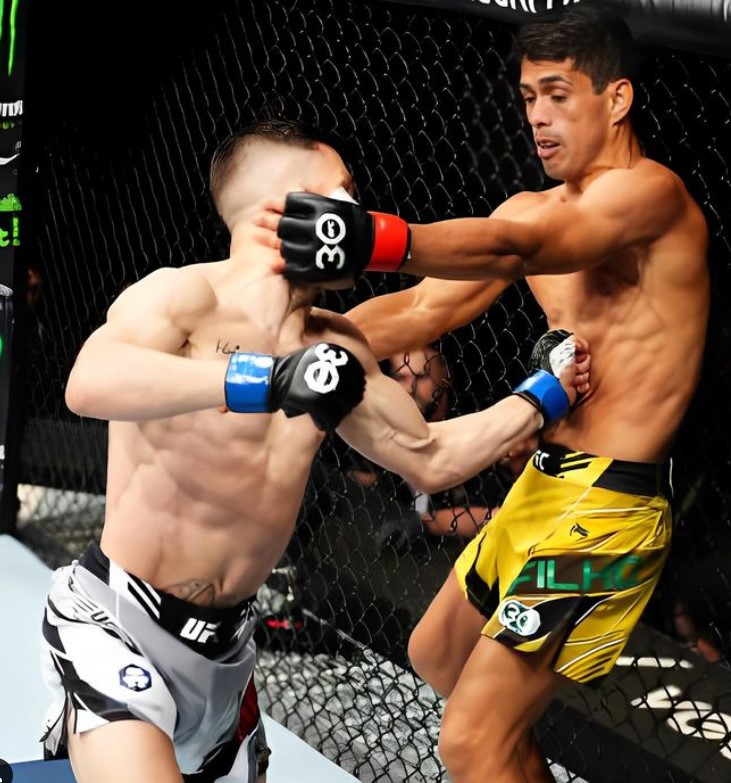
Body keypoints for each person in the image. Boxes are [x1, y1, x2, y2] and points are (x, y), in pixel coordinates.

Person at [39, 119, 590, 783]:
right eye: (343, 192)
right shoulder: (186, 296)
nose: (362, 213)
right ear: (286, 208)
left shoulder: (337, 346)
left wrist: (543, 394)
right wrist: (266, 380)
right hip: (117, 621)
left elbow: (428, 455)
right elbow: (89, 383)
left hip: (225, 658)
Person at [267, 7, 710, 782]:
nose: (536, 116)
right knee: (436, 653)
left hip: (609, 509)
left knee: (470, 742)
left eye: (557, 95)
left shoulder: (652, 199)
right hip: (542, 488)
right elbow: (420, 309)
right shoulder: (529, 207)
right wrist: (284, 340)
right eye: (527, 97)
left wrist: (371, 237)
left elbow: (523, 247)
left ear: (615, 99)